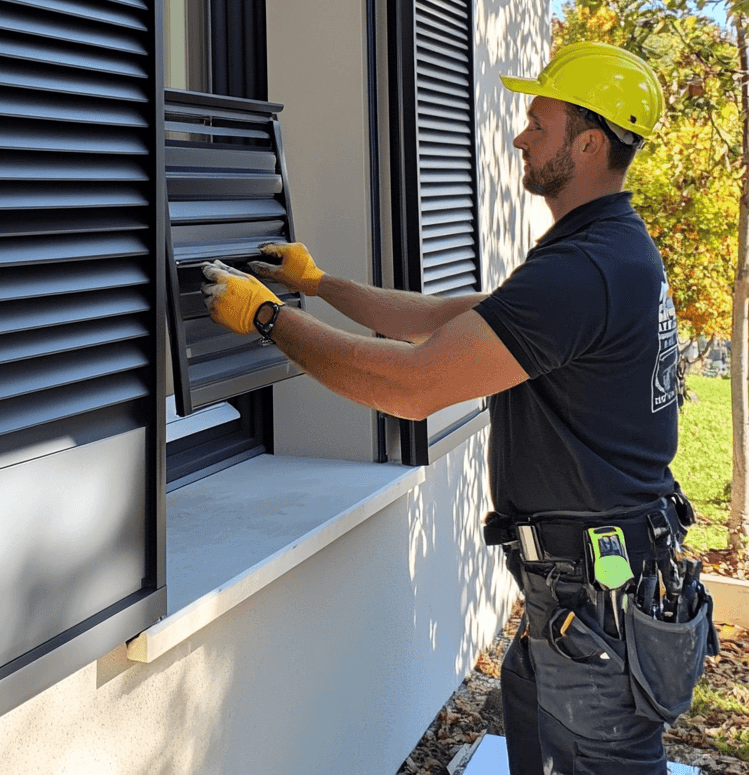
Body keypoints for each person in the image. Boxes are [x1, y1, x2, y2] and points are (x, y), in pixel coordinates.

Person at [202, 41, 713, 775]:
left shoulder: (586, 270)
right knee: (537, 727)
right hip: (587, 594)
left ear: (590, 141)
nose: (520, 136)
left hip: (597, 605)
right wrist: (317, 284)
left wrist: (267, 321)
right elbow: (443, 319)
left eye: (540, 122)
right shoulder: (603, 253)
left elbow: (413, 384)